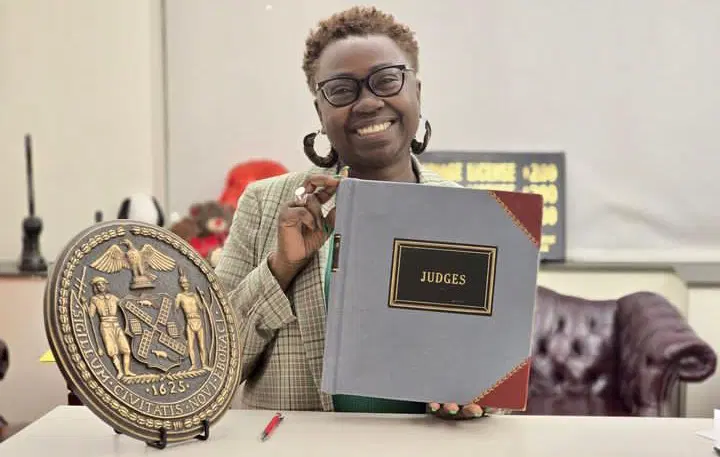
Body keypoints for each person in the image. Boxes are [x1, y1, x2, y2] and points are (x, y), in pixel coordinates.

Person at [215, 6, 483, 420]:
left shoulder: (468, 215)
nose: (369, 102)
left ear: (416, 91)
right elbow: (213, 365)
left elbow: (491, 373)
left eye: (387, 80)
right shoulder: (266, 203)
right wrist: (281, 267)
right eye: (342, 90)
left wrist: (477, 394)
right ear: (320, 111)